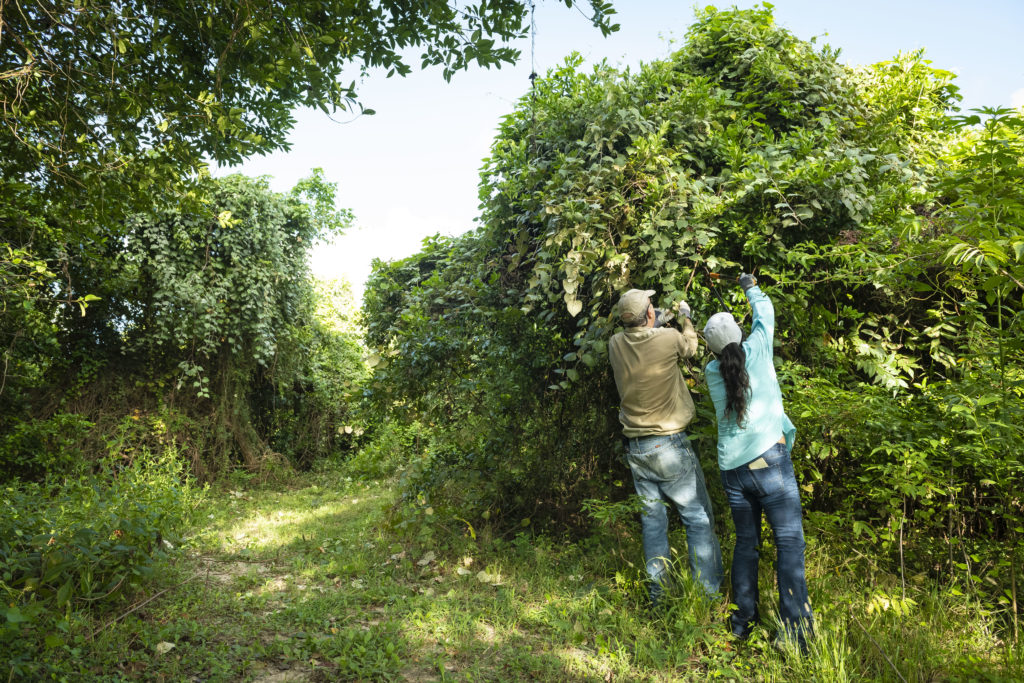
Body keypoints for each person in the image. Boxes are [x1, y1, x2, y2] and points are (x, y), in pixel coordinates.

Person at [702, 273, 814, 651]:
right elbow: (765, 313)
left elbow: (730, 353)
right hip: (770, 461)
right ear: (738, 333)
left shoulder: (711, 372)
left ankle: (741, 624)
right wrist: (750, 286)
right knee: (789, 544)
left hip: (733, 471)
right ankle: (796, 636)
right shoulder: (759, 348)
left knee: (746, 544)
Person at [608, 288, 723, 606]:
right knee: (697, 517)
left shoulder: (615, 344)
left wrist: (655, 319)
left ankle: (658, 597)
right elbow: (691, 348)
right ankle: (706, 597)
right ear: (648, 314)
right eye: (652, 308)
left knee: (654, 523)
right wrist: (684, 317)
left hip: (637, 448)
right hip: (669, 444)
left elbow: (643, 334)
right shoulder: (669, 339)